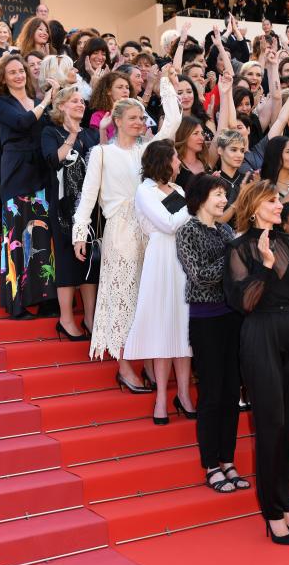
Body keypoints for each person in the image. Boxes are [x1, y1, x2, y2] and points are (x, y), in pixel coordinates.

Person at [224, 179, 289, 545]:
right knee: (272, 423)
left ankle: (288, 506)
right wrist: (265, 266)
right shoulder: (238, 248)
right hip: (260, 334)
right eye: (272, 200)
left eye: (279, 199)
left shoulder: (288, 242)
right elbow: (245, 302)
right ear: (253, 207)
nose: (279, 204)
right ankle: (272, 513)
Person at [73, 95, 178, 389]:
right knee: (123, 300)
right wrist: (80, 233)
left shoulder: (149, 150)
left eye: (142, 118)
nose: (138, 123)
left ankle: (146, 363)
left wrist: (167, 85)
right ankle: (124, 366)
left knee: (148, 300)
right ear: (117, 121)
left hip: (151, 229)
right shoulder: (101, 153)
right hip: (119, 232)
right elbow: (88, 196)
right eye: (132, 118)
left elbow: (173, 122)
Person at [176, 173, 247, 495]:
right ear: (201, 197)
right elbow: (201, 277)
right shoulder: (187, 231)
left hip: (233, 317)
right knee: (212, 394)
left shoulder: (226, 230)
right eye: (218, 194)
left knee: (232, 393)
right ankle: (210, 464)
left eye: (225, 195)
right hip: (206, 321)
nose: (223, 200)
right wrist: (233, 256)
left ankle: (228, 460)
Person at [123, 140, 194, 424]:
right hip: (159, 259)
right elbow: (167, 223)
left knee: (184, 330)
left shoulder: (178, 190)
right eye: (176, 158)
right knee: (163, 329)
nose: (179, 163)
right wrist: (193, 205)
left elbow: (184, 224)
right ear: (164, 161)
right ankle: (162, 398)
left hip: (183, 260)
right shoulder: (145, 190)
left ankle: (185, 395)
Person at [0, 54, 56, 318]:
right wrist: (47, 101)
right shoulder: (1, 102)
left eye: (21, 71)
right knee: (16, 237)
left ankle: (46, 299)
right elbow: (23, 122)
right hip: (16, 172)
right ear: (3, 79)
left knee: (42, 236)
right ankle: (17, 303)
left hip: (39, 171)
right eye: (12, 72)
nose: (18, 76)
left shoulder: (38, 101)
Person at [41, 86, 100, 341]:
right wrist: (72, 137)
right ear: (62, 106)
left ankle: (90, 317)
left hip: (89, 208)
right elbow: (53, 160)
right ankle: (66, 319)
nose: (80, 104)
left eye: (82, 101)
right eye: (74, 101)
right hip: (64, 207)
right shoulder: (50, 131)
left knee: (90, 262)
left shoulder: (91, 134)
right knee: (66, 260)